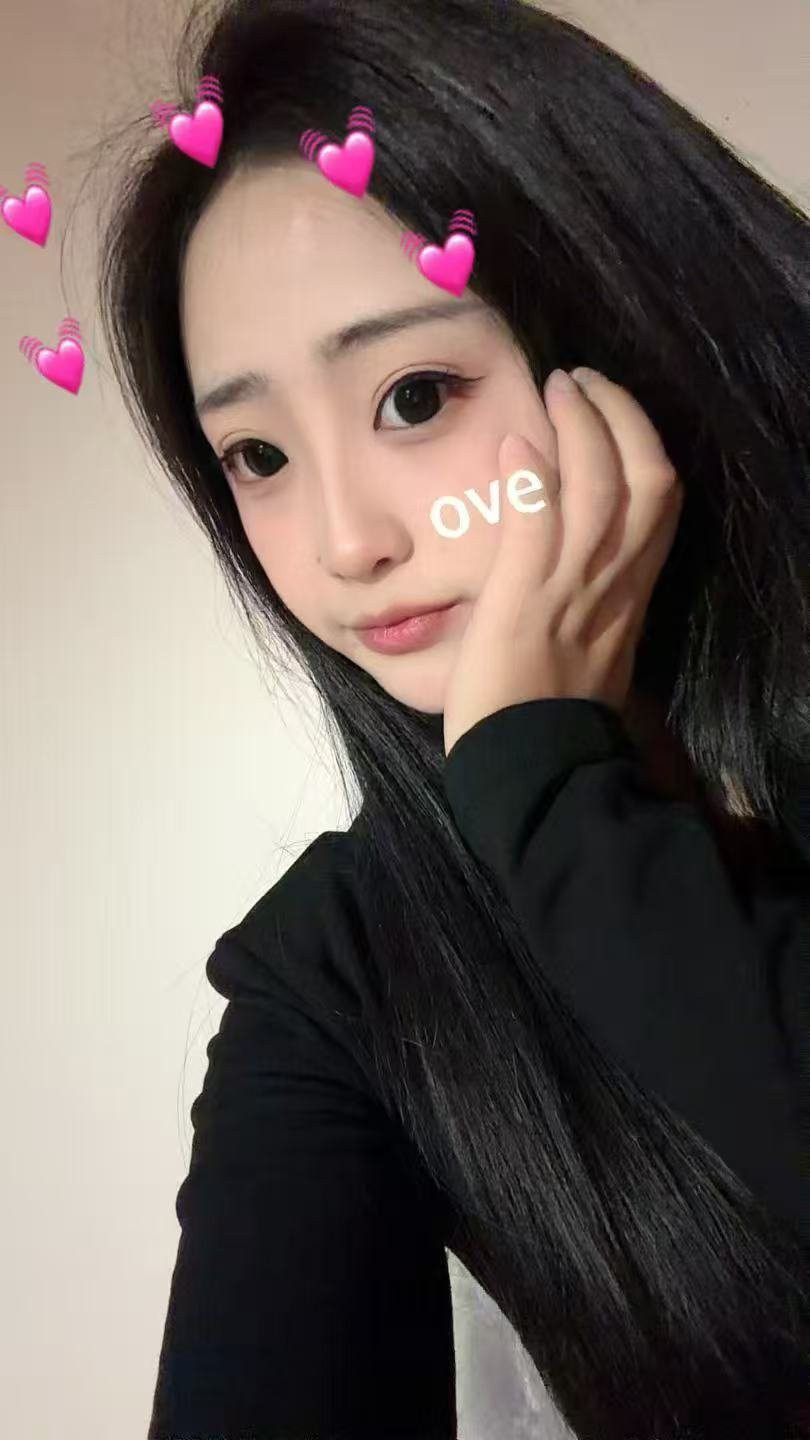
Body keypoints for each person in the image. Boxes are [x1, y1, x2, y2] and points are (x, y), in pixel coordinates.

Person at [89, 0, 810, 1435]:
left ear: (637, 326)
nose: (344, 543)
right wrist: (537, 777)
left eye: (415, 396)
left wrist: (553, 794)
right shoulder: (337, 973)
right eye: (257, 455)